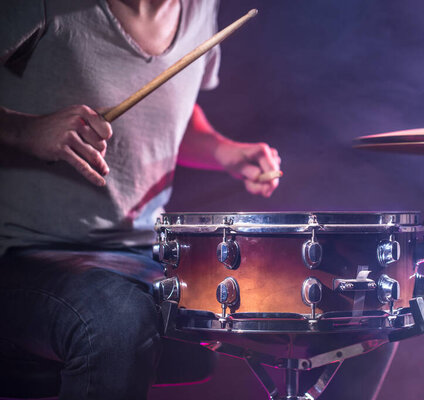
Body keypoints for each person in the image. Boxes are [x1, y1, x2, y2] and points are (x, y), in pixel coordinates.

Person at [0, 0, 280, 399]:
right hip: (20, 252)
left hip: (145, 254)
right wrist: (22, 131)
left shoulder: (201, 9)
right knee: (116, 318)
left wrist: (224, 151)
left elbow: (173, 102)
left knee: (333, 301)